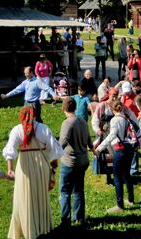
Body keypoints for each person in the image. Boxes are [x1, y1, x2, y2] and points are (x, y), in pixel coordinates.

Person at [1, 105, 64, 239]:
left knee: (24, 197)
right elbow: (54, 149)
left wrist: (10, 169)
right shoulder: (43, 128)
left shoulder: (17, 130)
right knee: (40, 195)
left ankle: (26, 228)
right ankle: (42, 226)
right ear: (34, 115)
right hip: (41, 166)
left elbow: (10, 150)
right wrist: (53, 164)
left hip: (24, 167)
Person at [94, 98, 135, 213]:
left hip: (119, 150)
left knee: (117, 177)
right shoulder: (127, 118)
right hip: (129, 149)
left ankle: (120, 205)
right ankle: (131, 199)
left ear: (112, 109)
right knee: (126, 174)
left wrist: (99, 148)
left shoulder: (114, 120)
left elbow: (112, 136)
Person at [58, 97, 93, 229]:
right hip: (83, 161)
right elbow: (89, 140)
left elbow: (63, 142)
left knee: (65, 191)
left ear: (63, 108)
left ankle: (65, 221)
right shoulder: (83, 121)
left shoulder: (67, 123)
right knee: (78, 190)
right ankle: (79, 218)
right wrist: (94, 151)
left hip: (70, 162)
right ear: (75, 108)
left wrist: (53, 155)